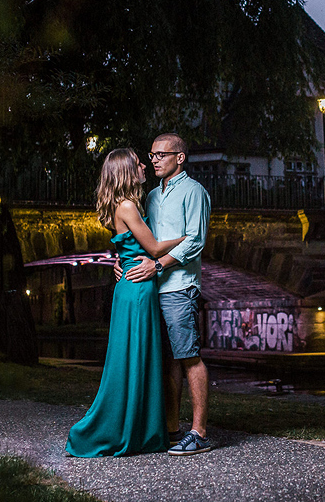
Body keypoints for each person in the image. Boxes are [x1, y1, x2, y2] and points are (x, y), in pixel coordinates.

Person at [65, 148, 187, 458]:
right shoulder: (129, 206)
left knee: (135, 358)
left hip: (131, 287)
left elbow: (130, 249)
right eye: (138, 163)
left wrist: (121, 261)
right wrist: (189, 237)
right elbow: (156, 248)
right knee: (136, 357)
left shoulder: (126, 205)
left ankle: (141, 426)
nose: (145, 165)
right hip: (137, 290)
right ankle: (129, 429)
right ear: (125, 172)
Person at [125, 132, 212, 456]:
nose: (155, 160)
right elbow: (140, 241)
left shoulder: (194, 192)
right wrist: (123, 264)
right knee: (166, 361)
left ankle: (199, 432)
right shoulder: (149, 197)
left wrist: (158, 265)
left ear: (180, 157)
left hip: (178, 287)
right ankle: (173, 430)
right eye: (152, 155)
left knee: (188, 356)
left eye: (162, 154)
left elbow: (195, 241)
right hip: (151, 288)